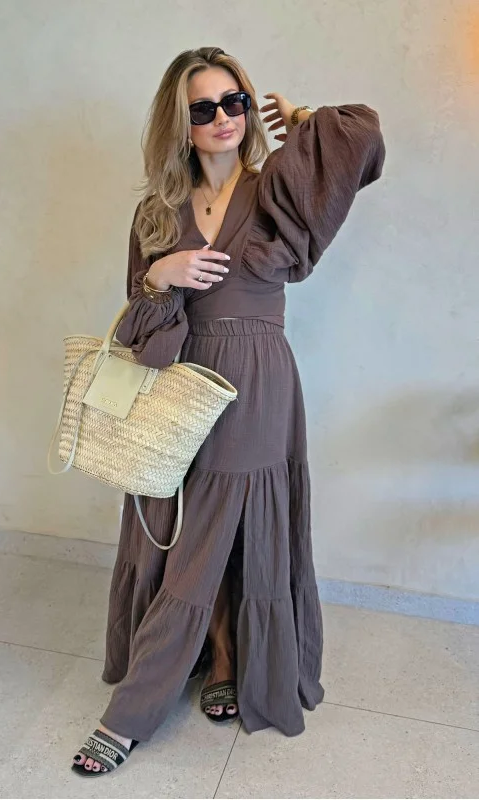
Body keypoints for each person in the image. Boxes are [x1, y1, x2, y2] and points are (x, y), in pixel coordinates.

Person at [72, 46, 385, 776]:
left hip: (257, 383)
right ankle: (219, 657)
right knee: (183, 526)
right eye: (205, 108)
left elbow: (365, 138)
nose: (224, 118)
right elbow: (138, 323)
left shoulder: (277, 187)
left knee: (218, 530)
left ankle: (129, 716)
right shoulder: (156, 212)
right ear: (179, 123)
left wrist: (303, 119)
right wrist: (161, 274)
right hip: (179, 384)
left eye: (235, 101)